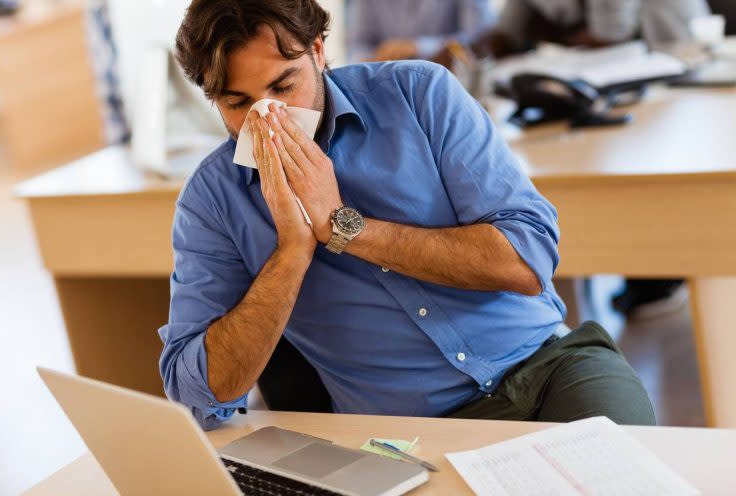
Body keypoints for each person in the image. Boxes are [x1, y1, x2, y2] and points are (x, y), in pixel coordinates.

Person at [159, 0, 655, 431]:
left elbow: (526, 264)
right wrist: (291, 251)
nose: (269, 121)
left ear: (317, 51)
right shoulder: (213, 201)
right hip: (404, 431)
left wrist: (342, 226)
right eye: (238, 103)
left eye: (283, 87)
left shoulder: (420, 94)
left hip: (547, 369)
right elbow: (198, 398)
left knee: (622, 474)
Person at [434, 0, 711, 66]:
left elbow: (610, 36)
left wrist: (545, 54)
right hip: (610, 57)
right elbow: (506, 34)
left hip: (670, 48)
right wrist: (466, 51)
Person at [346, 0, 495, 63]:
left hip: (455, 85)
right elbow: (357, 42)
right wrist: (368, 61)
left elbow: (479, 38)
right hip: (387, 85)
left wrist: (418, 47)